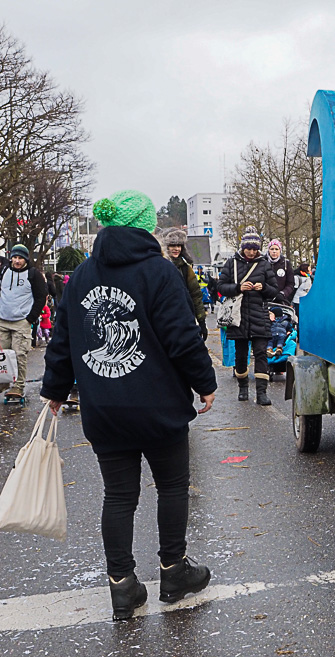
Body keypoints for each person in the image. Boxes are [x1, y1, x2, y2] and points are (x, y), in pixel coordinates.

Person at [39, 189, 217, 622]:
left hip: (105, 406)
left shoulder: (83, 274)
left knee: (118, 496)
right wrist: (204, 382)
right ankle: (173, 571)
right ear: (145, 226)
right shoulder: (159, 271)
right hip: (159, 405)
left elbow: (63, 339)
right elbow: (181, 336)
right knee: (172, 486)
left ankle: (122, 585)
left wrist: (55, 390)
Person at [219, 226, 279, 405]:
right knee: (241, 355)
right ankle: (243, 387)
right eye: (248, 249)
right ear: (243, 247)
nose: (252, 252)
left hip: (259, 315)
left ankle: (261, 393)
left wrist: (264, 288)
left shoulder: (264, 264)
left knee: (261, 353)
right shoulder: (231, 263)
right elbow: (220, 286)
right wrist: (238, 288)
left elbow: (274, 291)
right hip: (238, 317)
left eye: (254, 249)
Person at [0, 244, 48, 401]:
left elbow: (41, 297)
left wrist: (30, 318)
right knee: (2, 355)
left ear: (26, 259)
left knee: (19, 354)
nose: (17, 261)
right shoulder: (4, 271)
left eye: (20, 258)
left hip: (21, 321)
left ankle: (18, 386)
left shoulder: (33, 274)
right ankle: (3, 383)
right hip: (3, 319)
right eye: (14, 257)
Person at [160, 229, 207, 340]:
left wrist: (201, 321)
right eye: (173, 245)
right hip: (163, 318)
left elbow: (195, 295)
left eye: (179, 246)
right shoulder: (158, 267)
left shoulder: (186, 269)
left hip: (184, 317)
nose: (176, 249)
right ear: (166, 247)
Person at [266, 239, 295, 304]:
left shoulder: (286, 264)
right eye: (272, 249)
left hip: (281, 300)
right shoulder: (263, 262)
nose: (274, 251)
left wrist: (283, 293)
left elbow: (291, 283)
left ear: (280, 250)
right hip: (265, 299)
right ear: (268, 250)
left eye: (276, 249)